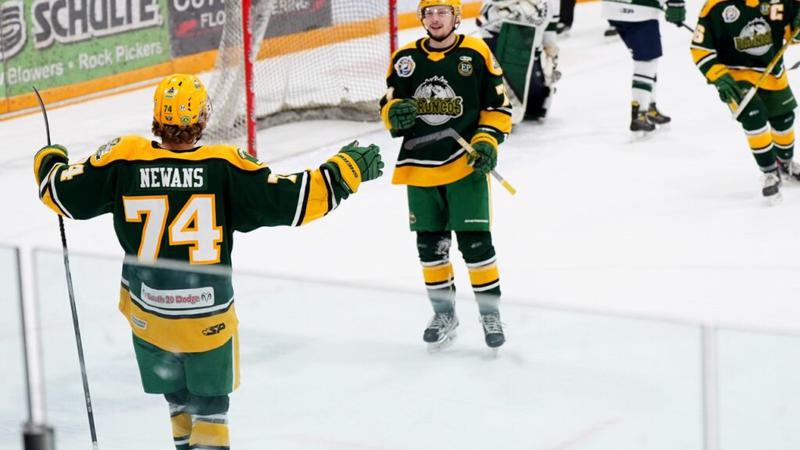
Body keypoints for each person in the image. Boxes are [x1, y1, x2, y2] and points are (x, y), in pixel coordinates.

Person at [33, 74, 383, 450]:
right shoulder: (224, 165)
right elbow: (290, 201)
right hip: (207, 318)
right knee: (210, 407)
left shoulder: (125, 158)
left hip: (150, 318)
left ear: (157, 117)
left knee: (178, 399)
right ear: (201, 118)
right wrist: (342, 172)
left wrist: (49, 160)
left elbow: (60, 193)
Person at [379, 0, 513, 350]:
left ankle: (490, 314)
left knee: (476, 245)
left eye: (443, 12)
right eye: (429, 12)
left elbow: (498, 106)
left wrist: (487, 140)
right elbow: (388, 102)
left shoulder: (476, 52)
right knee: (430, 247)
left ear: (456, 16)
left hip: (465, 165)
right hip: (419, 166)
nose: (435, 18)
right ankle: (444, 314)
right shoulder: (405, 59)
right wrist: (394, 113)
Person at [691, 0, 800, 200]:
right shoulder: (716, 7)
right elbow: (700, 48)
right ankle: (769, 172)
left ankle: (785, 164)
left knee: (784, 119)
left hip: (772, 74)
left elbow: (792, 34)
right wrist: (718, 76)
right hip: (735, 78)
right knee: (753, 115)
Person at [602, 0, 686, 131]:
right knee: (647, 61)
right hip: (640, 10)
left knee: (646, 62)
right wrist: (676, 4)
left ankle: (649, 107)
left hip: (613, 9)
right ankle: (640, 114)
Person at [477, 0, 561, 122]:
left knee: (535, 106)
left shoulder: (552, 2)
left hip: (529, 55)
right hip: (500, 48)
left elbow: (550, 27)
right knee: (505, 102)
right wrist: (501, 13)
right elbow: (486, 12)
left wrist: (551, 51)